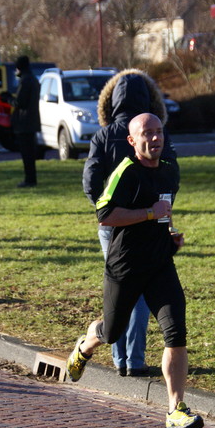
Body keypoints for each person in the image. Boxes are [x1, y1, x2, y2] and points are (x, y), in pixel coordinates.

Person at [68, 112, 204, 428]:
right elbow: (104, 214)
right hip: (125, 267)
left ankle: (175, 409)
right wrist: (147, 214)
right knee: (113, 332)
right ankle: (85, 346)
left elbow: (164, 209)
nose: (155, 138)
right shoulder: (125, 171)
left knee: (176, 332)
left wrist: (169, 234)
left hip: (159, 264)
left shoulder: (170, 171)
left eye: (159, 132)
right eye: (147, 133)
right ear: (132, 140)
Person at [83, 69, 179, 377]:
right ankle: (133, 360)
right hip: (147, 223)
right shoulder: (154, 130)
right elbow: (171, 175)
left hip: (112, 225)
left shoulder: (102, 135)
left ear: (111, 100)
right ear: (150, 99)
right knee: (136, 292)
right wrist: (159, 208)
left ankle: (119, 358)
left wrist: (107, 208)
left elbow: (91, 181)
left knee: (123, 291)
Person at [1, 55, 40, 187]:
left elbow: (20, 103)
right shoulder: (34, 79)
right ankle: (31, 178)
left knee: (26, 154)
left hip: (24, 122)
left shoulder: (25, 81)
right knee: (30, 153)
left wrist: (7, 98)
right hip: (32, 120)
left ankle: (29, 180)